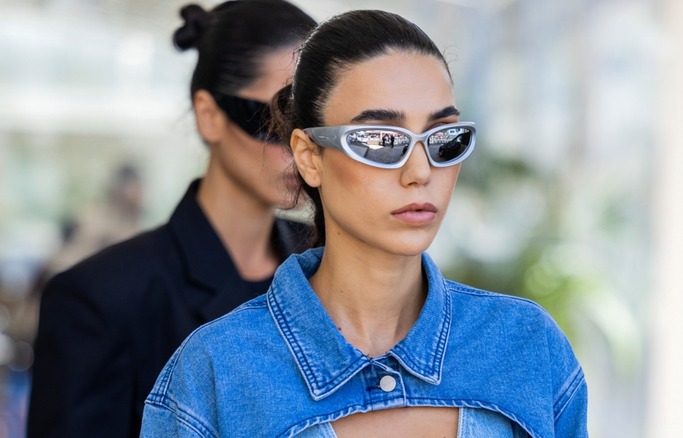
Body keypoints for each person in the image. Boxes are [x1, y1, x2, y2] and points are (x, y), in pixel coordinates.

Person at [141, 9, 588, 437]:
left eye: (442, 138)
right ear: (309, 157)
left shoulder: (527, 346)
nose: (420, 172)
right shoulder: (217, 372)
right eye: (380, 140)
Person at [26, 1, 316, 436]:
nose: (300, 148)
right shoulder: (99, 299)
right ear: (210, 114)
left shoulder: (327, 265)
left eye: (315, 123)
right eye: (276, 119)